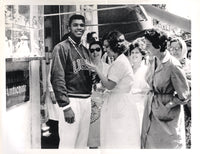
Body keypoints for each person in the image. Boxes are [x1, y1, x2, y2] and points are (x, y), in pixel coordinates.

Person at [86, 31, 140, 148]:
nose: (105, 50)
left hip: (120, 103)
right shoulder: (120, 60)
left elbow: (109, 85)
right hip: (120, 101)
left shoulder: (120, 62)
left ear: (115, 45)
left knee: (117, 139)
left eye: (106, 46)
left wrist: (97, 69)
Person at [141, 29, 190, 149]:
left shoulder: (173, 65)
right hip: (152, 111)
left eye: (148, 45)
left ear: (158, 46)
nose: (146, 48)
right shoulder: (153, 60)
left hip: (167, 118)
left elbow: (185, 95)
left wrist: (168, 104)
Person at [50, 14, 93, 148]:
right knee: (68, 144)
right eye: (75, 25)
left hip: (86, 100)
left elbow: (89, 77)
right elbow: (57, 78)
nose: (79, 28)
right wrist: (65, 106)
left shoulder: (85, 50)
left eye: (81, 25)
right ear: (69, 27)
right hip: (71, 100)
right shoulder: (61, 48)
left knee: (81, 143)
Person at [87, 41, 110, 148]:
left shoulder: (108, 68)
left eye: (97, 49)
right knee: (92, 139)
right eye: (91, 50)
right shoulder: (85, 68)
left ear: (102, 51)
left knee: (105, 138)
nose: (95, 53)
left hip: (105, 105)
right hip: (90, 106)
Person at [128, 38, 150, 134]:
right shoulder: (128, 70)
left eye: (137, 52)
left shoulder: (147, 70)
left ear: (142, 54)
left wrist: (138, 91)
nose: (134, 55)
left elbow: (149, 90)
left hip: (141, 106)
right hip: (128, 106)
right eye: (132, 52)